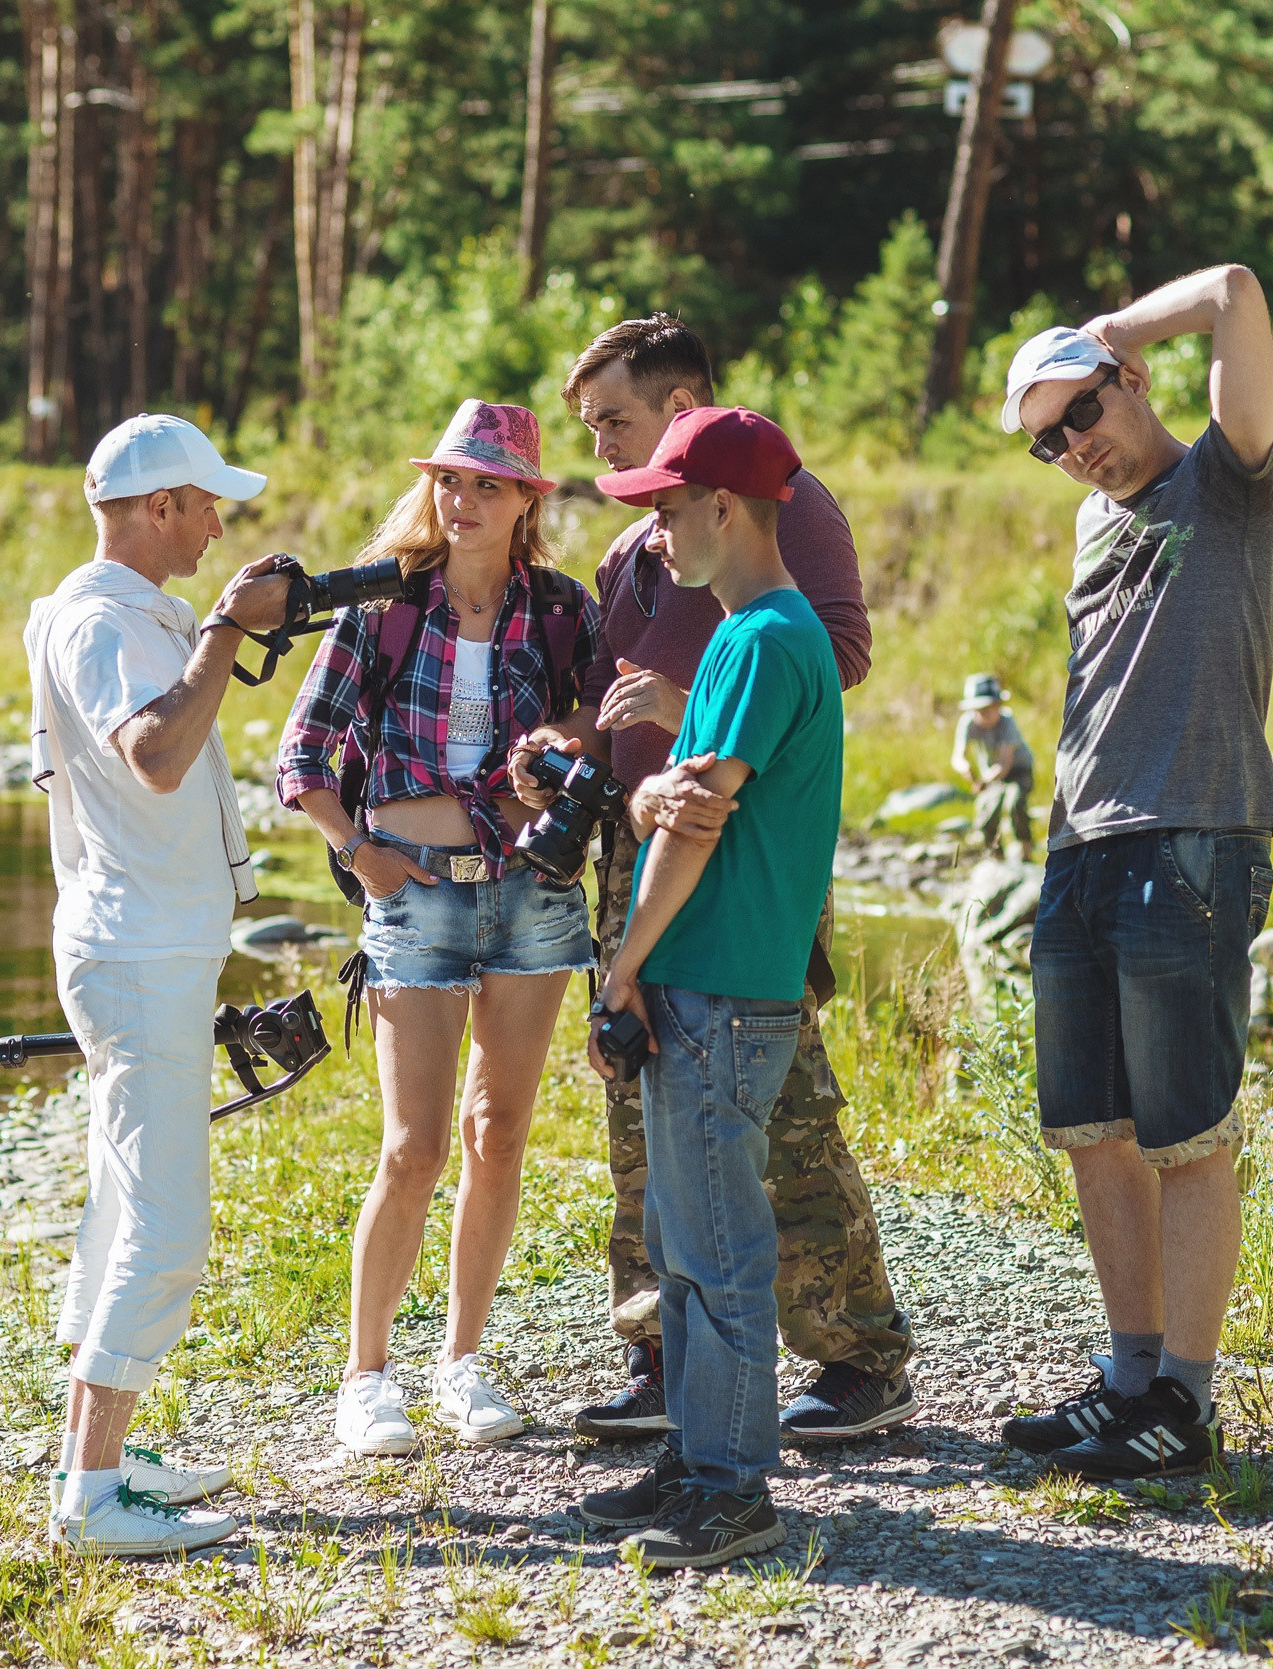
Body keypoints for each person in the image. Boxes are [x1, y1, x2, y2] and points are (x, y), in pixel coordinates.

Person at [513, 314, 914, 1446]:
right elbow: (606, 697)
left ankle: (856, 1352)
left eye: (618, 423)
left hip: (735, 844)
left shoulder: (778, 509)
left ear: (685, 398)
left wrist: (699, 722)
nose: (600, 457)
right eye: (589, 432)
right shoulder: (638, 547)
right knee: (640, 1108)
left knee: (778, 1106)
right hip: (633, 844)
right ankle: (660, 1354)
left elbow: (830, 662)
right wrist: (566, 751)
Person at [993, 267, 1273, 1481]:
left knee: (1184, 1135)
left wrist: (1111, 326)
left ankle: (1187, 1399)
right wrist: (1056, 835)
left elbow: (1233, 292)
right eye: (1046, 441)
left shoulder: (1231, 476)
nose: (1072, 447)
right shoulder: (1092, 517)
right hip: (1080, 846)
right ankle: (1126, 1382)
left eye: (1081, 413)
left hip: (1193, 837)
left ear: (1132, 380)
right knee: (1093, 1128)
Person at [277, 400, 602, 1457]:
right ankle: (364, 1381)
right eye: (450, 482)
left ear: (526, 502)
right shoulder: (380, 607)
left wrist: (564, 742)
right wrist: (355, 850)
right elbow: (301, 757)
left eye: (488, 485)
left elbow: (601, 723)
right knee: (412, 1147)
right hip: (411, 896)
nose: (462, 501)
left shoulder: (559, 610)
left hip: (531, 896)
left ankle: (462, 1363)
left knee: (498, 1131)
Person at [574, 406, 842, 1568]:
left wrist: (619, 965)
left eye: (670, 510)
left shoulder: (764, 638)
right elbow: (673, 798)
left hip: (723, 986)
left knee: (719, 1243)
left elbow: (693, 820)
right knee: (683, 1237)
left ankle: (736, 1489)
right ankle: (696, 1448)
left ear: (726, 509)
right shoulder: (748, 639)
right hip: (706, 981)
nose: (655, 533)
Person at [29, 413, 296, 1556]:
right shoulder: (99, 620)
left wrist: (220, 626)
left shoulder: (114, 610)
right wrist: (231, 626)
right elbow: (155, 752)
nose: (218, 523)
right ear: (155, 510)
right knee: (164, 1225)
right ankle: (89, 1500)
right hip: (138, 952)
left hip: (140, 941)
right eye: (205, 505)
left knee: (118, 1206)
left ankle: (105, 1457)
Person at [950, 672, 1035, 857]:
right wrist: (965, 767)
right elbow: (957, 756)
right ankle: (995, 853)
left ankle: (1026, 850)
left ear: (998, 705)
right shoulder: (968, 723)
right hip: (989, 774)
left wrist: (983, 780)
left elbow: (1004, 764)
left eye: (987, 709)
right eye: (978, 710)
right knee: (989, 808)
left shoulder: (1007, 722)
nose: (983, 715)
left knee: (1015, 803)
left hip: (1017, 771)